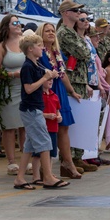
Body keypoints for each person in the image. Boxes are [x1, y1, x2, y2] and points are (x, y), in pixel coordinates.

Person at [12, 34, 66, 190]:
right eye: (39, 45)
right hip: (31, 109)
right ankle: (48, 176)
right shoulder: (28, 66)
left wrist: (51, 74)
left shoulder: (35, 65)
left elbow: (47, 73)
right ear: (30, 49)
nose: (43, 48)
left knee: (29, 146)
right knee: (45, 142)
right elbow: (28, 88)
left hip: (35, 108)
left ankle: (20, 178)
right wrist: (44, 79)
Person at [56, 1, 98, 173]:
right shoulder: (65, 33)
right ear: (66, 13)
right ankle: (69, 159)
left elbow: (85, 53)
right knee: (71, 123)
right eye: (75, 10)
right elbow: (84, 53)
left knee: (80, 122)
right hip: (71, 81)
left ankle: (77, 158)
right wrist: (83, 50)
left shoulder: (72, 33)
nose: (78, 13)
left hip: (79, 80)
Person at [40, 23, 80, 179]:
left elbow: (63, 75)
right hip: (47, 91)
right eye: (47, 31)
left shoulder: (57, 52)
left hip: (60, 91)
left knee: (64, 127)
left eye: (52, 31)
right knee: (48, 130)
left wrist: (71, 91)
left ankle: (68, 163)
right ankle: (46, 168)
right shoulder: (39, 52)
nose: (51, 33)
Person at [0, 14, 27, 175]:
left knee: (25, 125)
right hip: (8, 89)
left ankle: (27, 159)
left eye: (19, 22)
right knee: (9, 126)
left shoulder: (25, 43)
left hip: (25, 88)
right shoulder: (1, 47)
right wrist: (12, 75)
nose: (18, 25)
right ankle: (12, 161)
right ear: (7, 27)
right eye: (15, 23)